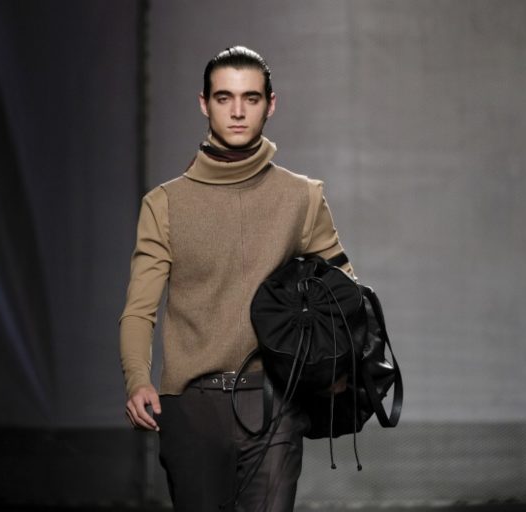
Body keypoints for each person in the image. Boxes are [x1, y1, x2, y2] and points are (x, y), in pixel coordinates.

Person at [119, 46, 353, 511]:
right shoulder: (165, 205)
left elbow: (344, 295)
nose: (238, 111)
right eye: (224, 98)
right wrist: (137, 380)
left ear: (271, 104)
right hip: (191, 407)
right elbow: (140, 309)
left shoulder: (303, 198)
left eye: (251, 98)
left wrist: (336, 367)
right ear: (204, 104)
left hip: (275, 401)